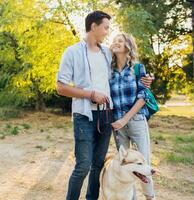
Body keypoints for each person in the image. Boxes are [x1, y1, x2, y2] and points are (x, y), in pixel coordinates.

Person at [56, 11, 152, 200]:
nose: (108, 32)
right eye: (106, 27)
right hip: (84, 116)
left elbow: (126, 67)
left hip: (106, 116)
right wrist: (90, 94)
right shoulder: (72, 52)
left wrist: (146, 79)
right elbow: (61, 87)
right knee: (83, 164)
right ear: (94, 26)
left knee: (98, 164)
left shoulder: (107, 54)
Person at [109, 32, 156, 200]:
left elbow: (143, 97)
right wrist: (118, 121)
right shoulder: (109, 69)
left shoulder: (137, 68)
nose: (116, 43)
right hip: (117, 125)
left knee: (144, 164)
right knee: (125, 166)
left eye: (120, 41)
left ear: (128, 45)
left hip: (136, 121)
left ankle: (150, 197)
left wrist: (124, 119)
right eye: (114, 41)